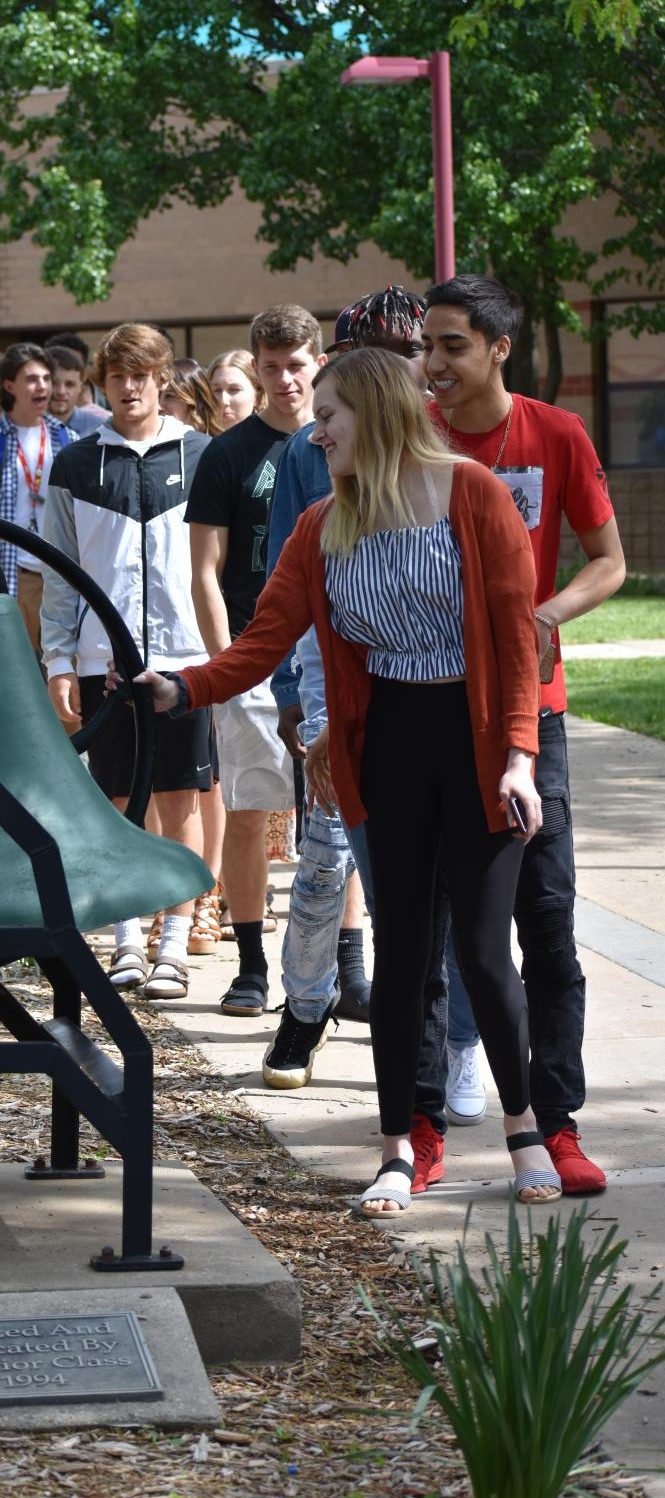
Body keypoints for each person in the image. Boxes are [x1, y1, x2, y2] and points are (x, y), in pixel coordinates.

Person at [128, 346, 563, 1215]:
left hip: (477, 744)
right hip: (389, 745)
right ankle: (399, 1146)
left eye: (330, 414)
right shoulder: (323, 522)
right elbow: (263, 640)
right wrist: (186, 685)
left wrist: (520, 756)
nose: (315, 430)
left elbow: (518, 640)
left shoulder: (472, 495)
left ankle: (527, 1132)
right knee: (401, 954)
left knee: (481, 950)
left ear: (379, 412)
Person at [421, 273, 626, 1194]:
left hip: (528, 715)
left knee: (545, 925)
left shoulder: (554, 433)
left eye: (451, 345)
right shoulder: (411, 439)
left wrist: (546, 612)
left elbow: (609, 560)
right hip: (421, 708)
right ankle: (415, 1127)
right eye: (426, 346)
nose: (432, 364)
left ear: (498, 348)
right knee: (425, 932)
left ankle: (557, 1122)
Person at [262, 287, 426, 1094]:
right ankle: (304, 1003)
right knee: (325, 850)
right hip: (333, 661)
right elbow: (286, 580)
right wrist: (297, 686)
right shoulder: (308, 450)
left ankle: (434, 1021)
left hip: (427, 666)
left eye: (402, 358)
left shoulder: (442, 440)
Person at [41, 322, 212, 1001]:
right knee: (116, 806)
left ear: (161, 377)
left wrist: (224, 659)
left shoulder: (202, 456)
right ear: (100, 383)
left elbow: (218, 569)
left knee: (179, 801)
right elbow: (57, 574)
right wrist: (57, 660)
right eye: (117, 374)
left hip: (185, 658)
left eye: (142, 373)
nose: (130, 385)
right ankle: (125, 941)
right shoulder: (76, 464)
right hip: (99, 659)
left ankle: (173, 944)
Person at [186, 305, 324, 1018]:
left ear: (317, 363)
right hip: (252, 654)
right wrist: (227, 663)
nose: (282, 379)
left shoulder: (341, 443)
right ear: (252, 366)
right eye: (268, 366)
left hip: (332, 656)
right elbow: (204, 570)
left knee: (338, 813)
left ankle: (346, 965)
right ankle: (249, 965)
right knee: (248, 811)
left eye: (295, 364)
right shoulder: (227, 454)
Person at [0, 343, 76, 648]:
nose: (42, 387)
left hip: (62, 576)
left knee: (65, 673)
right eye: (31, 379)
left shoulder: (69, 441)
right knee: (20, 670)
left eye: (45, 378)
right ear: (9, 385)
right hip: (14, 574)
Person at [46, 345, 106, 437]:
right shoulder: (24, 426)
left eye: (69, 384)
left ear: (80, 387)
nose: (61, 391)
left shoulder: (101, 429)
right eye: (54, 383)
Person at [161, 364, 223, 436]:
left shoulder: (220, 445)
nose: (158, 406)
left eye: (169, 396)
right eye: (157, 396)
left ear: (197, 402)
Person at [207, 350, 264, 429]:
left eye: (234, 390)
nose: (223, 401)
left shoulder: (277, 439)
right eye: (217, 390)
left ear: (257, 396)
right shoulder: (192, 439)